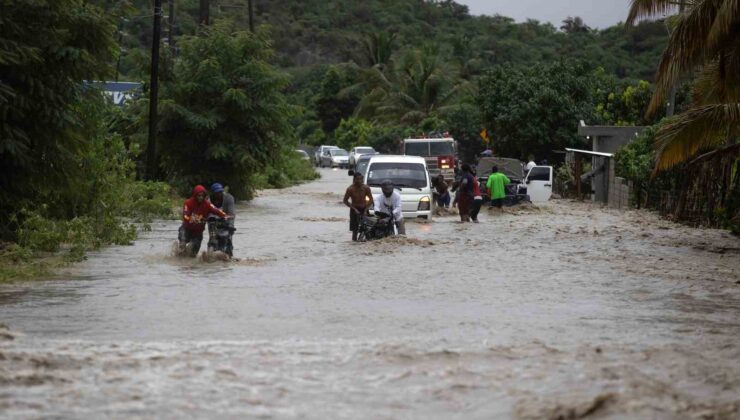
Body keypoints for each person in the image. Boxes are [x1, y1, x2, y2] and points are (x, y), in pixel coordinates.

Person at [179, 185, 229, 257]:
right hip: (186, 229)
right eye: (199, 195)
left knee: (192, 255)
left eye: (202, 196)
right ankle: (179, 257)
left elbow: (217, 211)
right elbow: (185, 216)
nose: (200, 197)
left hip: (198, 233)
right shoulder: (188, 203)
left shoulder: (207, 204)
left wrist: (226, 215)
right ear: (195, 195)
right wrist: (193, 219)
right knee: (182, 244)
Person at [343, 173, 374, 241]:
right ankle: (354, 244)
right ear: (354, 179)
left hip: (364, 209)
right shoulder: (350, 189)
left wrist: (366, 210)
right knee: (355, 230)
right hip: (354, 210)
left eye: (361, 179)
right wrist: (354, 209)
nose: (359, 181)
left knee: (368, 229)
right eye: (357, 179)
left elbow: (371, 200)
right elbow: (345, 201)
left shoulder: (366, 188)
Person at [210, 183, 236, 256]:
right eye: (216, 193)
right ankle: (211, 254)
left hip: (227, 221)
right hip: (213, 222)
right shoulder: (209, 199)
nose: (218, 194)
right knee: (213, 240)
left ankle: (229, 256)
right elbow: (207, 212)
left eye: (220, 192)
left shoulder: (229, 198)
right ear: (213, 193)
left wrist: (230, 225)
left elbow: (232, 213)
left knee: (228, 240)